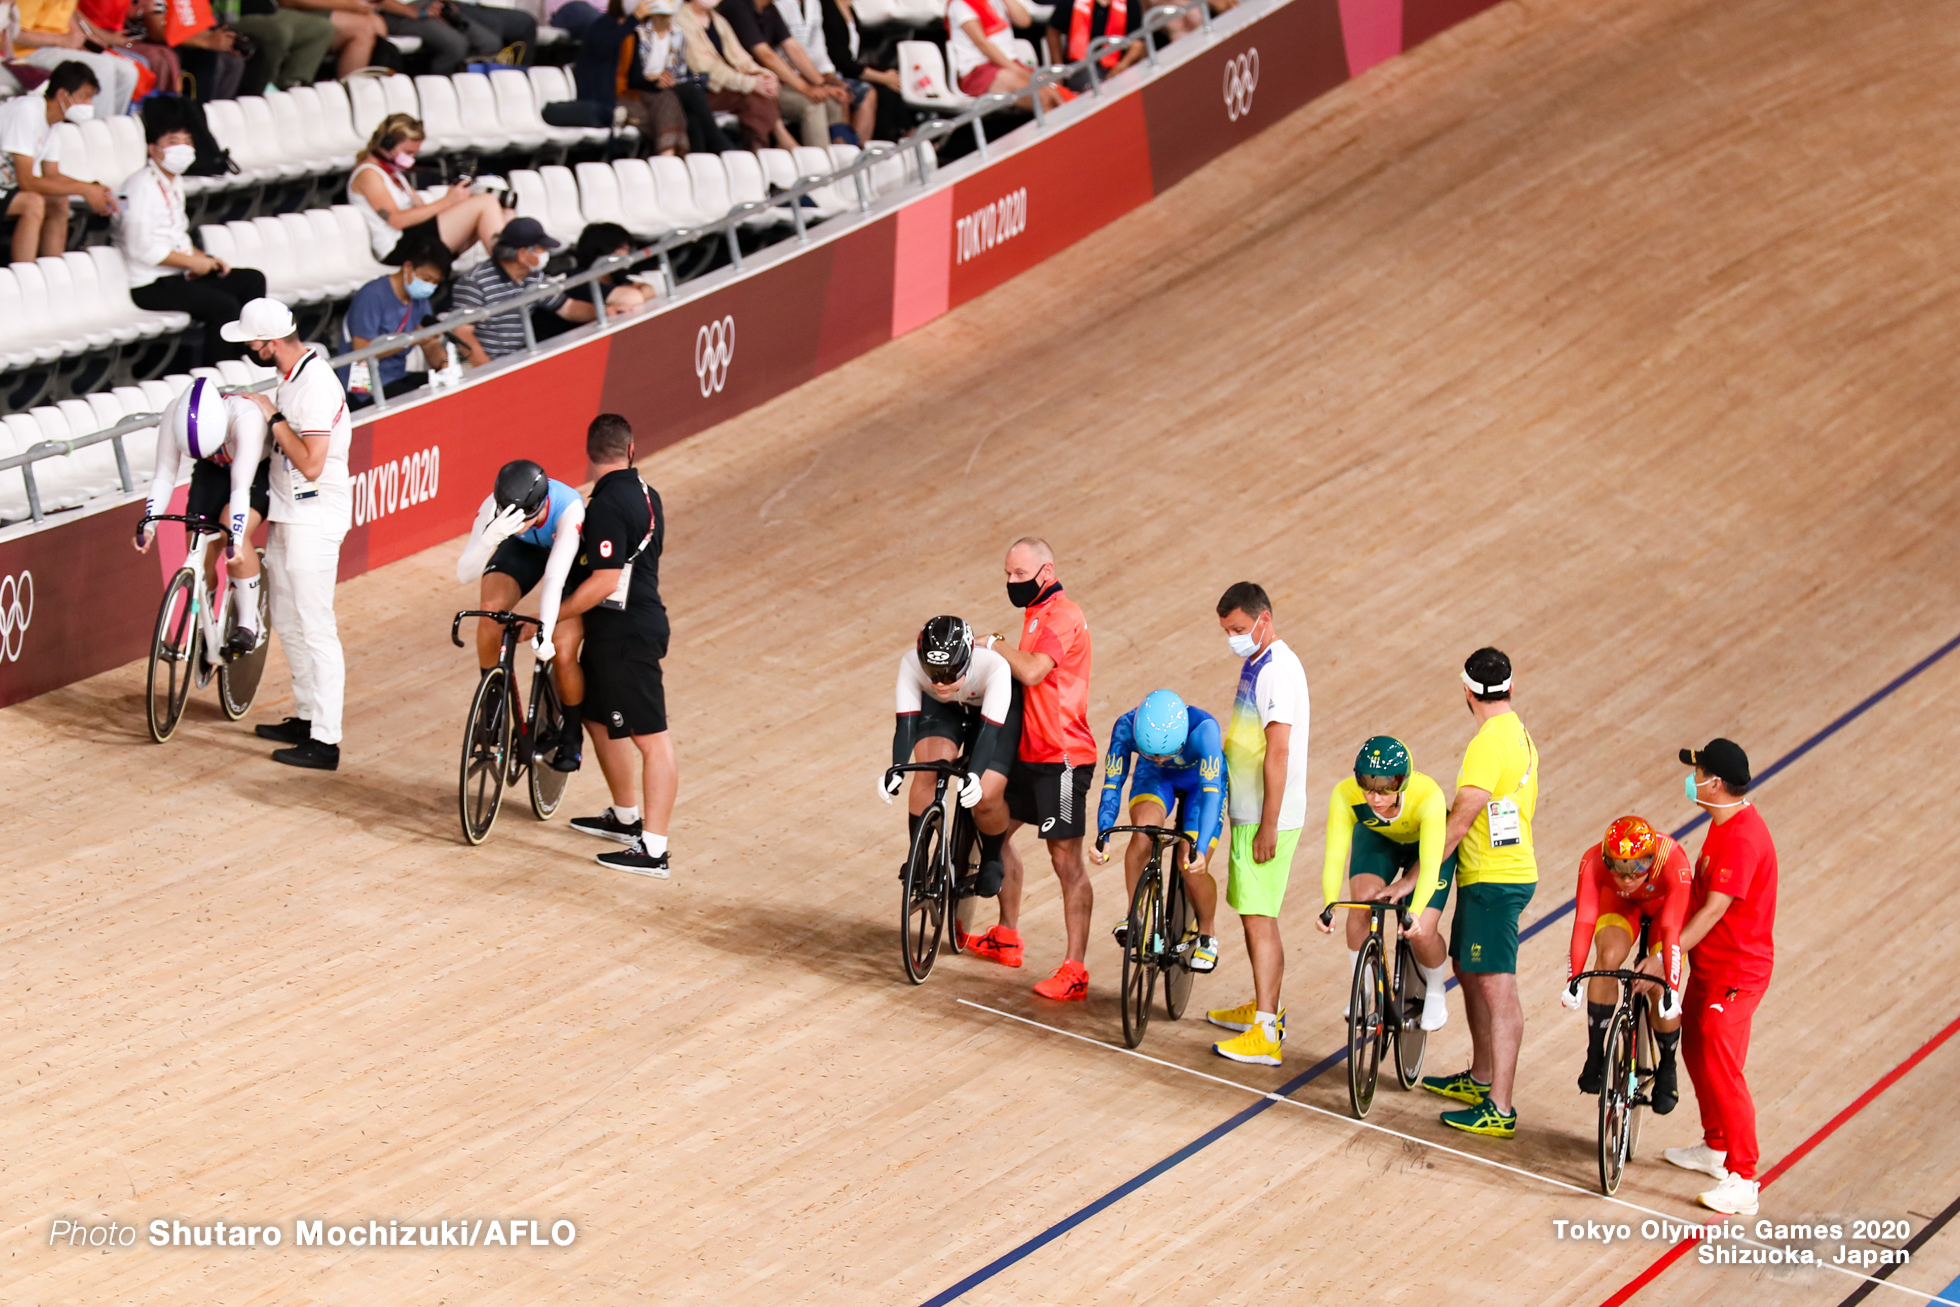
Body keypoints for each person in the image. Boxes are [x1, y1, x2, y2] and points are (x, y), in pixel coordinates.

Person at [961, 537, 1094, 1002]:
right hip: (1028, 753)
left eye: (1019, 575)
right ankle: (1007, 936)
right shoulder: (1035, 613)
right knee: (992, 827)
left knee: (1065, 862)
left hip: (1062, 761)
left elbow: (1035, 671)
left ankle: (1075, 969)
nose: (1011, 583)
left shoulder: (1063, 614)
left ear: (1046, 570)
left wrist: (994, 644)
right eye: (1007, 574)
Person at [222, 298, 352, 771]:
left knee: (316, 625)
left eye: (251, 342)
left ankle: (327, 740)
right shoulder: (293, 375)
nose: (248, 348)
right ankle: (306, 716)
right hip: (289, 511)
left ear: (270, 343)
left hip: (314, 517)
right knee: (289, 618)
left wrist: (272, 416)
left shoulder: (314, 385)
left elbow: (313, 464)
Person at [1421, 647, 1539, 1138]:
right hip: (1490, 873)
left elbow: (1460, 820)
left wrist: (1419, 875)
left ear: (1466, 692)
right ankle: (1482, 1077)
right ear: (1510, 687)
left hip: (1495, 879)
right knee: (1469, 972)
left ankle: (1501, 1107)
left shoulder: (1489, 744)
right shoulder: (1518, 733)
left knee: (1496, 986)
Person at [1663, 738, 1777, 1217]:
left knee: (1722, 1064)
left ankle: (1744, 1177)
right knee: (1694, 1048)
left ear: (1716, 783)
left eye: (1699, 771)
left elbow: (1712, 911)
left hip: (1736, 972)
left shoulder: (1743, 839)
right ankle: (1715, 1148)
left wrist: (1668, 952)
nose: (1693, 778)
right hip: (1711, 966)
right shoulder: (1723, 822)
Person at [562, 414, 678, 876]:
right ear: (631, 450)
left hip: (628, 633)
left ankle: (654, 849)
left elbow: (606, 579)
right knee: (596, 717)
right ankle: (626, 818)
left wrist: (555, 614)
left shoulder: (607, 505)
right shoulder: (649, 494)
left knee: (653, 740)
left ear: (589, 455)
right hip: (624, 629)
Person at [1204, 582, 1308, 1066]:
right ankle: (1263, 1005)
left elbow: (1279, 752)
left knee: (1259, 919)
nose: (1233, 638)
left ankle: (1267, 1029)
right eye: (1227, 631)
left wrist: (1267, 826)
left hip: (1267, 818)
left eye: (1240, 629)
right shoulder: (1259, 661)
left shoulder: (1277, 673)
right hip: (1250, 810)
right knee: (1252, 914)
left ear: (1264, 619)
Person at [883, 615, 1018, 931]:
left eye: (950, 675)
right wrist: (897, 770)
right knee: (928, 770)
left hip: (993, 713)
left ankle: (993, 856)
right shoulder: (912, 665)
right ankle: (918, 854)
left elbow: (989, 734)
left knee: (986, 790)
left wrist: (974, 775)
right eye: (934, 675)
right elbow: (905, 726)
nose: (941, 684)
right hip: (944, 712)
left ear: (968, 659)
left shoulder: (994, 668)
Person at [453, 458, 588, 770]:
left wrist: (544, 630)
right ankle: (493, 701)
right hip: (523, 551)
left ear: (542, 505)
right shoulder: (494, 505)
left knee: (564, 650)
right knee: (490, 611)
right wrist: (489, 538)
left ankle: (571, 732)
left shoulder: (570, 509)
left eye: (526, 518)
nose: (520, 523)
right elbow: (464, 573)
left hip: (564, 557)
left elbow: (554, 579)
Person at [1317, 735, 1455, 1033]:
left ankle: (1434, 989)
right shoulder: (1345, 794)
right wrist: (1330, 903)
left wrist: (1415, 911)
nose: (1375, 797)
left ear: (1402, 781)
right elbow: (1334, 855)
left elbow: (1431, 865)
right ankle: (1363, 989)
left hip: (1427, 848)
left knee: (1422, 931)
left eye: (1386, 788)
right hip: (1380, 839)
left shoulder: (1428, 796)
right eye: (1367, 785)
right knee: (1362, 902)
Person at [117, 102, 268, 366]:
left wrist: (205, 259)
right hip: (151, 284)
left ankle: (251, 357)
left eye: (188, 141)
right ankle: (219, 372)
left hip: (179, 275)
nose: (183, 147)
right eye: (174, 141)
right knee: (224, 306)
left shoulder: (173, 182)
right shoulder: (139, 186)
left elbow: (177, 237)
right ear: (153, 149)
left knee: (251, 280)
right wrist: (193, 263)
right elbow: (140, 247)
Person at [1562, 815, 1690, 1114]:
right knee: (1607, 958)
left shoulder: (1673, 860)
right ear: (1607, 860)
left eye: (1638, 867)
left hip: (1664, 913)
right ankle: (1595, 1053)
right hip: (1620, 905)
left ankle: (1668, 1065)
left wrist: (1670, 987)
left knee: (1659, 989)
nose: (1629, 878)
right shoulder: (1592, 861)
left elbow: (1672, 930)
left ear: (1652, 859)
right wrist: (1574, 979)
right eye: (1619, 869)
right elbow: (1583, 922)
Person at [134, 376, 268, 657]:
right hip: (212, 467)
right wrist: (150, 525)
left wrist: (235, 537)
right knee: (198, 545)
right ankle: (203, 621)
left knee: (231, 531)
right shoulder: (175, 413)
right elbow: (164, 475)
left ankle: (247, 624)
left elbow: (240, 488)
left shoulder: (246, 419)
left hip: (256, 468)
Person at [1092, 688, 1224, 974]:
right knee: (1143, 833)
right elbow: (1112, 783)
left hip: (1199, 785)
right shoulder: (1126, 728)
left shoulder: (1205, 730)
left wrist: (1199, 851)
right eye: (1151, 754)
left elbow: (1212, 794)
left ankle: (1207, 934)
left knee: (1189, 864)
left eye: (1167, 754)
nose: (1161, 758)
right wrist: (1103, 835)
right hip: (1155, 779)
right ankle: (1134, 916)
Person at [348, 113, 508, 265]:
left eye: (414, 153)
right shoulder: (369, 174)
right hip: (396, 249)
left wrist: (455, 203)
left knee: (502, 203)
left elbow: (419, 208)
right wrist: (446, 202)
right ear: (388, 144)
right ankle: (509, 268)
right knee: (485, 202)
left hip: (412, 236)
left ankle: (513, 261)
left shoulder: (395, 174)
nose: (412, 158)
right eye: (408, 152)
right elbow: (396, 220)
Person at [1, 61, 117, 265]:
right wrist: (83, 190)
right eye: (84, 97)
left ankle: (52, 271)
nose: (88, 105)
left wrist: (92, 189)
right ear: (63, 94)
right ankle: (26, 277)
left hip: (5, 186)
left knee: (59, 202)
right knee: (33, 203)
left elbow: (52, 174)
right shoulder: (27, 111)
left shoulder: (53, 122)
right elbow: (27, 181)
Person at [336, 237, 451, 406]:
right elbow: (361, 351)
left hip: (398, 375)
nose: (430, 286)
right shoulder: (372, 295)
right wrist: (413, 338)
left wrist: (447, 368)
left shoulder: (419, 299)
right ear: (408, 267)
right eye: (426, 279)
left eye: (435, 282)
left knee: (445, 388)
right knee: (424, 402)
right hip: (364, 386)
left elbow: (429, 344)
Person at [717, 0, 842, 147]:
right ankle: (820, 164)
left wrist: (822, 84)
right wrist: (806, 89)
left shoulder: (770, 9)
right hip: (746, 87)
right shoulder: (736, 6)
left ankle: (840, 158)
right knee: (812, 105)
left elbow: (793, 48)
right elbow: (765, 56)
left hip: (770, 82)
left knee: (833, 101)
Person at [674, 0, 792, 151]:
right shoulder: (680, 20)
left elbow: (741, 58)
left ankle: (761, 147)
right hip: (703, 89)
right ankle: (767, 145)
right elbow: (706, 68)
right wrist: (750, 83)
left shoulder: (718, 20)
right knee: (752, 96)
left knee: (761, 93)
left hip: (728, 86)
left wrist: (764, 76)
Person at [449, 216, 565, 366]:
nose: (546, 253)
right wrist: (489, 371)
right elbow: (462, 333)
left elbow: (567, 307)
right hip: (475, 368)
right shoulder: (474, 281)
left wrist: (601, 312)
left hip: (516, 359)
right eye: (541, 249)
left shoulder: (534, 276)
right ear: (522, 254)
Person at [623, 0, 735, 155]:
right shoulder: (637, 34)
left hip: (665, 83)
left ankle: (699, 160)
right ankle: (717, 140)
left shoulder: (674, 34)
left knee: (692, 118)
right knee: (691, 93)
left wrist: (669, 77)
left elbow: (677, 68)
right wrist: (655, 79)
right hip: (643, 87)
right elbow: (633, 74)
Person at [15, 0, 140, 114]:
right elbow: (15, 35)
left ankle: (113, 127)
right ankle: (96, 132)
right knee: (103, 67)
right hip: (30, 51)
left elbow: (66, 15)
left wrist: (83, 37)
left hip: (60, 46)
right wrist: (61, 40)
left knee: (128, 72)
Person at [530, 221, 649, 341]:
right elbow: (633, 298)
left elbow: (649, 289)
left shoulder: (614, 277)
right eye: (622, 249)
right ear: (601, 252)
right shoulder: (577, 280)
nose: (626, 255)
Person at [774, 0, 872, 143]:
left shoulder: (813, 3)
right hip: (781, 79)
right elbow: (774, 57)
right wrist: (814, 85)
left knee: (837, 99)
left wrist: (829, 78)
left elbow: (818, 48)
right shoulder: (777, 5)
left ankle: (844, 154)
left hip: (807, 75)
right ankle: (820, 161)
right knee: (815, 104)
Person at [945, 0, 1062, 111]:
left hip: (1009, 66)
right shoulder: (959, 4)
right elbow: (983, 44)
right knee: (1043, 98)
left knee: (1058, 95)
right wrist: (1017, 70)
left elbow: (1025, 21)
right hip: (980, 71)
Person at [142, 0, 246, 102]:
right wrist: (206, 41)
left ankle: (211, 111)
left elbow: (199, 24)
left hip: (181, 38)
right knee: (176, 56)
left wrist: (222, 40)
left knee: (233, 60)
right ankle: (181, 109)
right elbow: (156, 32)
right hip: (138, 40)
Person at [223, 0, 333, 93]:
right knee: (278, 32)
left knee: (321, 28)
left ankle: (294, 89)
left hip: (268, 8)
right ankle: (265, 88)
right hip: (232, 13)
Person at [276, 0, 383, 79]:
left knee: (377, 25)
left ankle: (367, 94)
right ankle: (351, 95)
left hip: (310, 9)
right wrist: (349, 5)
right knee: (362, 30)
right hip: (281, 10)